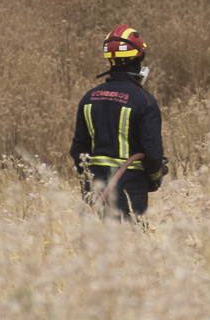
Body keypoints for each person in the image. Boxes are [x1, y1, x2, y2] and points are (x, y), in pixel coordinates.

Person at [69, 24, 166, 219]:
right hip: (130, 193)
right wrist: (156, 177)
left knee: (98, 237)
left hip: (95, 192)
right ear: (140, 58)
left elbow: (78, 150)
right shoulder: (145, 101)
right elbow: (153, 154)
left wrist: (89, 180)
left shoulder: (89, 98)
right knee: (131, 237)